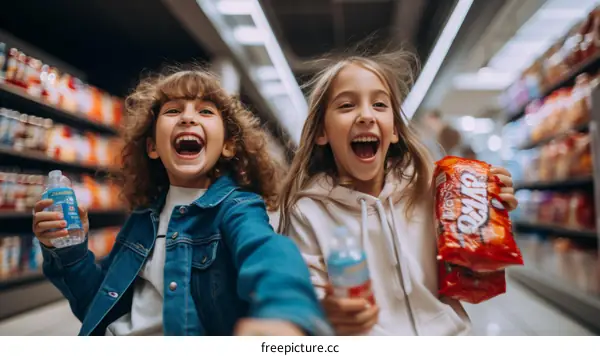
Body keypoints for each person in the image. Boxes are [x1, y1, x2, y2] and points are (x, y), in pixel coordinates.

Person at [32, 69, 332, 336]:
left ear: (228, 145)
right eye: (173, 110)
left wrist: (285, 314)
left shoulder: (237, 208)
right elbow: (94, 306)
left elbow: (269, 254)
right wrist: (69, 248)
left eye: (205, 112)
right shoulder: (142, 219)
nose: (188, 117)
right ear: (152, 147)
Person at [277, 51, 518, 336]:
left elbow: (471, 279)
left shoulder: (433, 193)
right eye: (346, 105)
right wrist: (327, 311)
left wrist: (487, 225)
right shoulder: (308, 213)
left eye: (379, 104)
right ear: (322, 132)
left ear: (394, 131)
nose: (366, 115)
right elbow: (306, 301)